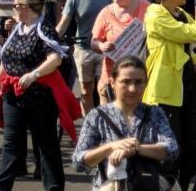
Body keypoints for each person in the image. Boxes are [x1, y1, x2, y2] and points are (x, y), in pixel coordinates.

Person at [0, 0, 80, 191]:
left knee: (46, 145)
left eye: (15, 5)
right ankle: (0, 186)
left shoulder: (44, 28)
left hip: (40, 97)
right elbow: (7, 57)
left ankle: (53, 187)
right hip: (13, 95)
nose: (13, 9)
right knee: (11, 143)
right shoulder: (16, 29)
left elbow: (56, 58)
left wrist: (34, 74)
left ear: (27, 7)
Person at [144, 0, 196, 191]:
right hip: (165, 87)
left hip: (187, 84)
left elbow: (184, 47)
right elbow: (189, 34)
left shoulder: (180, 13)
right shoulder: (155, 14)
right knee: (170, 147)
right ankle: (169, 185)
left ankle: (183, 181)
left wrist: (195, 62)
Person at [73, 55, 178, 190]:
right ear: (112, 83)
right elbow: (79, 161)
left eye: (138, 82)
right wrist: (111, 147)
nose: (133, 89)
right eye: (126, 82)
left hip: (148, 184)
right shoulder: (97, 116)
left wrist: (137, 148)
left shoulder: (155, 113)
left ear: (146, 83)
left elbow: (172, 148)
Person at [58, 0, 112, 116]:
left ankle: (104, 126)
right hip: (83, 50)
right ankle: (89, 127)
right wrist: (49, 40)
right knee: (86, 91)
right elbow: (64, 23)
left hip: (103, 50)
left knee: (103, 90)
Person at [90, 0, 150, 102]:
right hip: (111, 77)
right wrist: (102, 45)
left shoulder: (146, 7)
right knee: (110, 121)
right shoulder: (106, 12)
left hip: (137, 78)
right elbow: (93, 42)